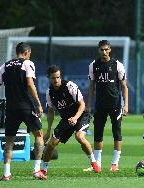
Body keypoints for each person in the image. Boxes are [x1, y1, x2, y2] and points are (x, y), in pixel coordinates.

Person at [0, 42, 46, 180]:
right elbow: (30, 84)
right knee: (39, 135)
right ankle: (36, 170)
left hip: (11, 109)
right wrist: (38, 104)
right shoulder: (28, 63)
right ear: (27, 52)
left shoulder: (5, 66)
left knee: (9, 141)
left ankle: (6, 173)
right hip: (27, 106)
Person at [38, 65, 101, 179]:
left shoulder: (69, 86)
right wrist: (48, 131)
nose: (56, 80)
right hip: (66, 119)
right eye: (53, 78)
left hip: (81, 115)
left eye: (58, 77)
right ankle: (43, 170)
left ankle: (94, 162)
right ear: (48, 78)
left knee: (79, 137)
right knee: (52, 143)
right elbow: (51, 112)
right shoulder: (49, 93)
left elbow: (82, 105)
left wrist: (76, 118)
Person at [86, 40, 128, 172]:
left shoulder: (117, 65)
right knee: (98, 133)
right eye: (101, 50)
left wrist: (125, 105)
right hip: (100, 104)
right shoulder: (93, 65)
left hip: (115, 103)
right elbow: (92, 86)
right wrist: (88, 104)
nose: (104, 52)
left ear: (110, 50)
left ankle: (115, 163)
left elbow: (124, 86)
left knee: (117, 132)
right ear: (98, 50)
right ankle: (97, 164)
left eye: (106, 49)